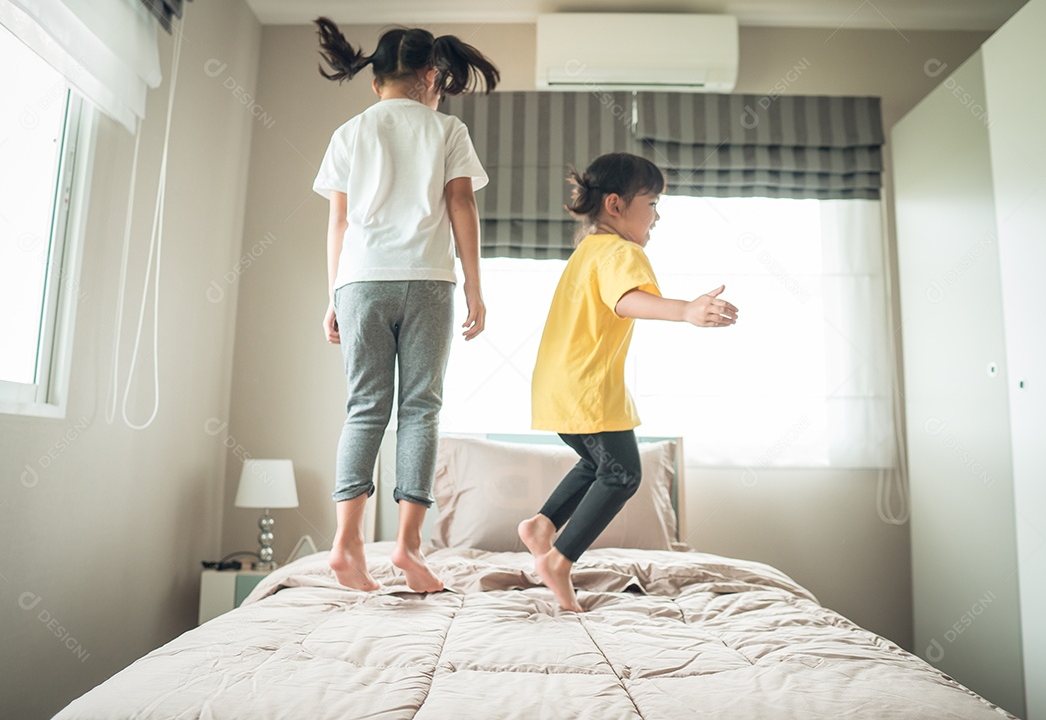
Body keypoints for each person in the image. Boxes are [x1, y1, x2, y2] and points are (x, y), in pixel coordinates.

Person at [311, 18, 499, 593]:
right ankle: (409, 548)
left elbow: (338, 221)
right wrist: (474, 283)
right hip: (426, 280)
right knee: (420, 410)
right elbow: (462, 205)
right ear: (430, 75)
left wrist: (334, 295)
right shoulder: (446, 131)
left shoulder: (349, 132)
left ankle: (345, 545)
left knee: (364, 408)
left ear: (375, 83)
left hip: (360, 282)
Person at [517, 152, 739, 612]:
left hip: (558, 384)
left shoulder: (588, 251)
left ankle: (542, 525)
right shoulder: (621, 251)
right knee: (622, 474)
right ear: (616, 206)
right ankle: (559, 559)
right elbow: (626, 301)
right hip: (586, 385)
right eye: (653, 203)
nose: (657, 216)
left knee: (598, 464)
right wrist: (685, 310)